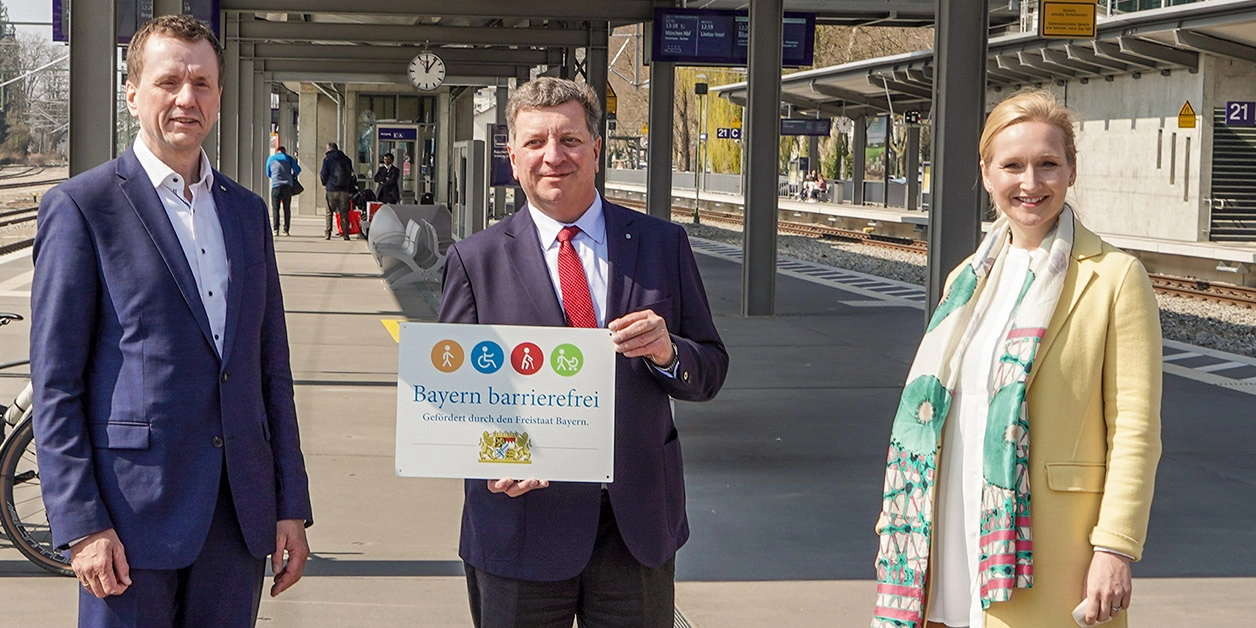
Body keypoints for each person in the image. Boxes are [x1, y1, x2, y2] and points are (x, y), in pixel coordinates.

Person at [29, 15, 313, 628]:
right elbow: (56, 386)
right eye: (169, 82)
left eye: (203, 84)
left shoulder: (246, 213)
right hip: (129, 520)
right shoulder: (83, 208)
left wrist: (290, 504)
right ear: (132, 93)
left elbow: (271, 371)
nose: (188, 98)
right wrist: (81, 525)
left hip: (236, 516)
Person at [439, 77, 729, 628]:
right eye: (535, 143)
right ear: (513, 155)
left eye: (570, 140)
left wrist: (669, 353)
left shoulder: (661, 244)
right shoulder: (475, 260)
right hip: (520, 526)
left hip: (635, 525)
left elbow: (710, 369)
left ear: (597, 148)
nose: (553, 157)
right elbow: (456, 401)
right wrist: (498, 456)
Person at [871, 89, 1161, 628]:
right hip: (946, 532)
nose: (1030, 183)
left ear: (1071, 170)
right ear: (987, 175)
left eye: (1048, 164)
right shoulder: (966, 279)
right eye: (1013, 166)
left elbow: (1135, 431)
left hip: (1051, 549)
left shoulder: (1115, 277)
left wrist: (1116, 547)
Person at [319, 141, 355, 240]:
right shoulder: (347, 160)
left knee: (329, 212)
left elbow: (323, 174)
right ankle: (345, 234)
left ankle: (328, 233)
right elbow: (351, 175)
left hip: (331, 189)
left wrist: (325, 184)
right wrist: (350, 189)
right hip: (344, 189)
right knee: (344, 213)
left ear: (330, 149)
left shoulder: (327, 160)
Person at [265, 145, 300, 235]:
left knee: (275, 208)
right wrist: (292, 176)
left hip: (276, 185)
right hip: (287, 185)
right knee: (286, 208)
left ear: (277, 151)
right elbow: (298, 169)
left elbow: (268, 172)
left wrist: (274, 177)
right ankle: (286, 230)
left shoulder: (271, 159)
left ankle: (276, 229)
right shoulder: (289, 158)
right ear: (284, 152)